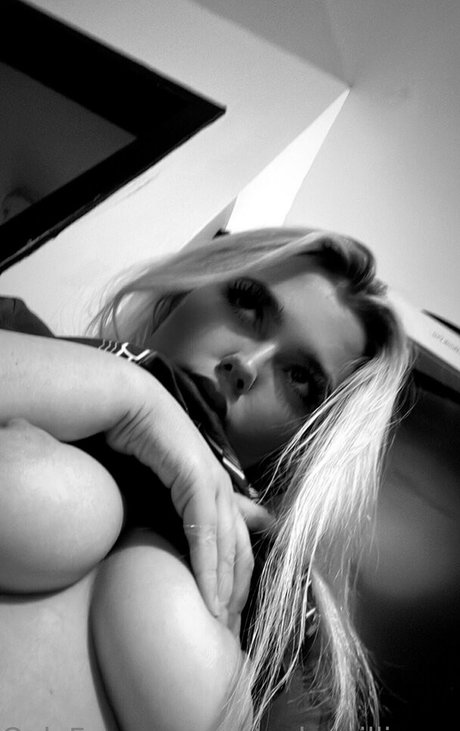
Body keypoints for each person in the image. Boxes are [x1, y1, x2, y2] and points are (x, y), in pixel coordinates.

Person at [0, 226, 410, 731]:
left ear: (304, 442)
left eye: (300, 378)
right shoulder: (20, 339)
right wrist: (134, 399)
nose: (245, 366)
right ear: (184, 292)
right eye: (246, 303)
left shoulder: (278, 605)